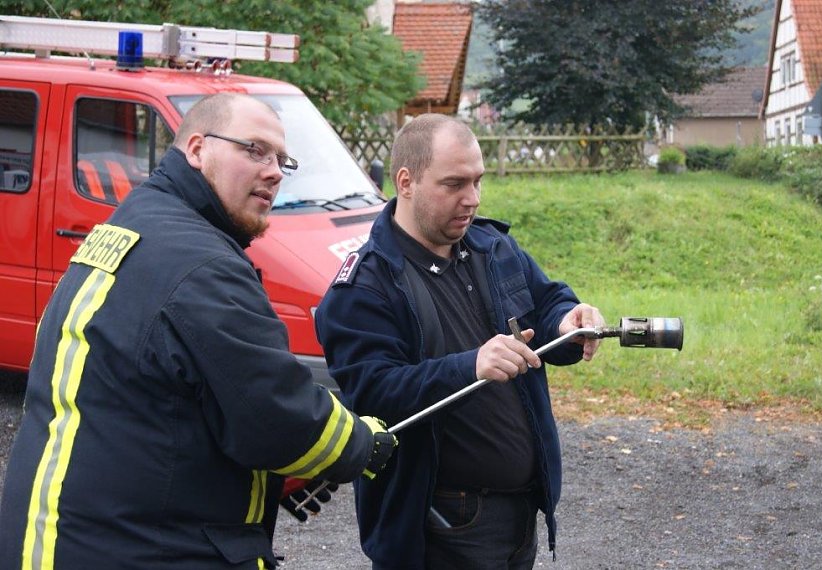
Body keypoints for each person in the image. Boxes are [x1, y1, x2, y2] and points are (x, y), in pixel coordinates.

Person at [0, 93, 395, 570]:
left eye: (281, 161)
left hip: (63, 534)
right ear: (196, 149)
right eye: (254, 150)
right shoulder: (204, 266)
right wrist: (362, 443)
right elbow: (278, 420)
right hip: (136, 547)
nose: (273, 171)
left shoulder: (137, 220)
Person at [315, 113, 605, 569]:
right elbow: (372, 394)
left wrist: (569, 321)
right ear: (406, 182)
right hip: (439, 525)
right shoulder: (364, 287)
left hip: (520, 512)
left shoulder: (492, 247)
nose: (471, 199)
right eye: (454, 184)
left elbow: (547, 302)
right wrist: (469, 366)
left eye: (478, 181)